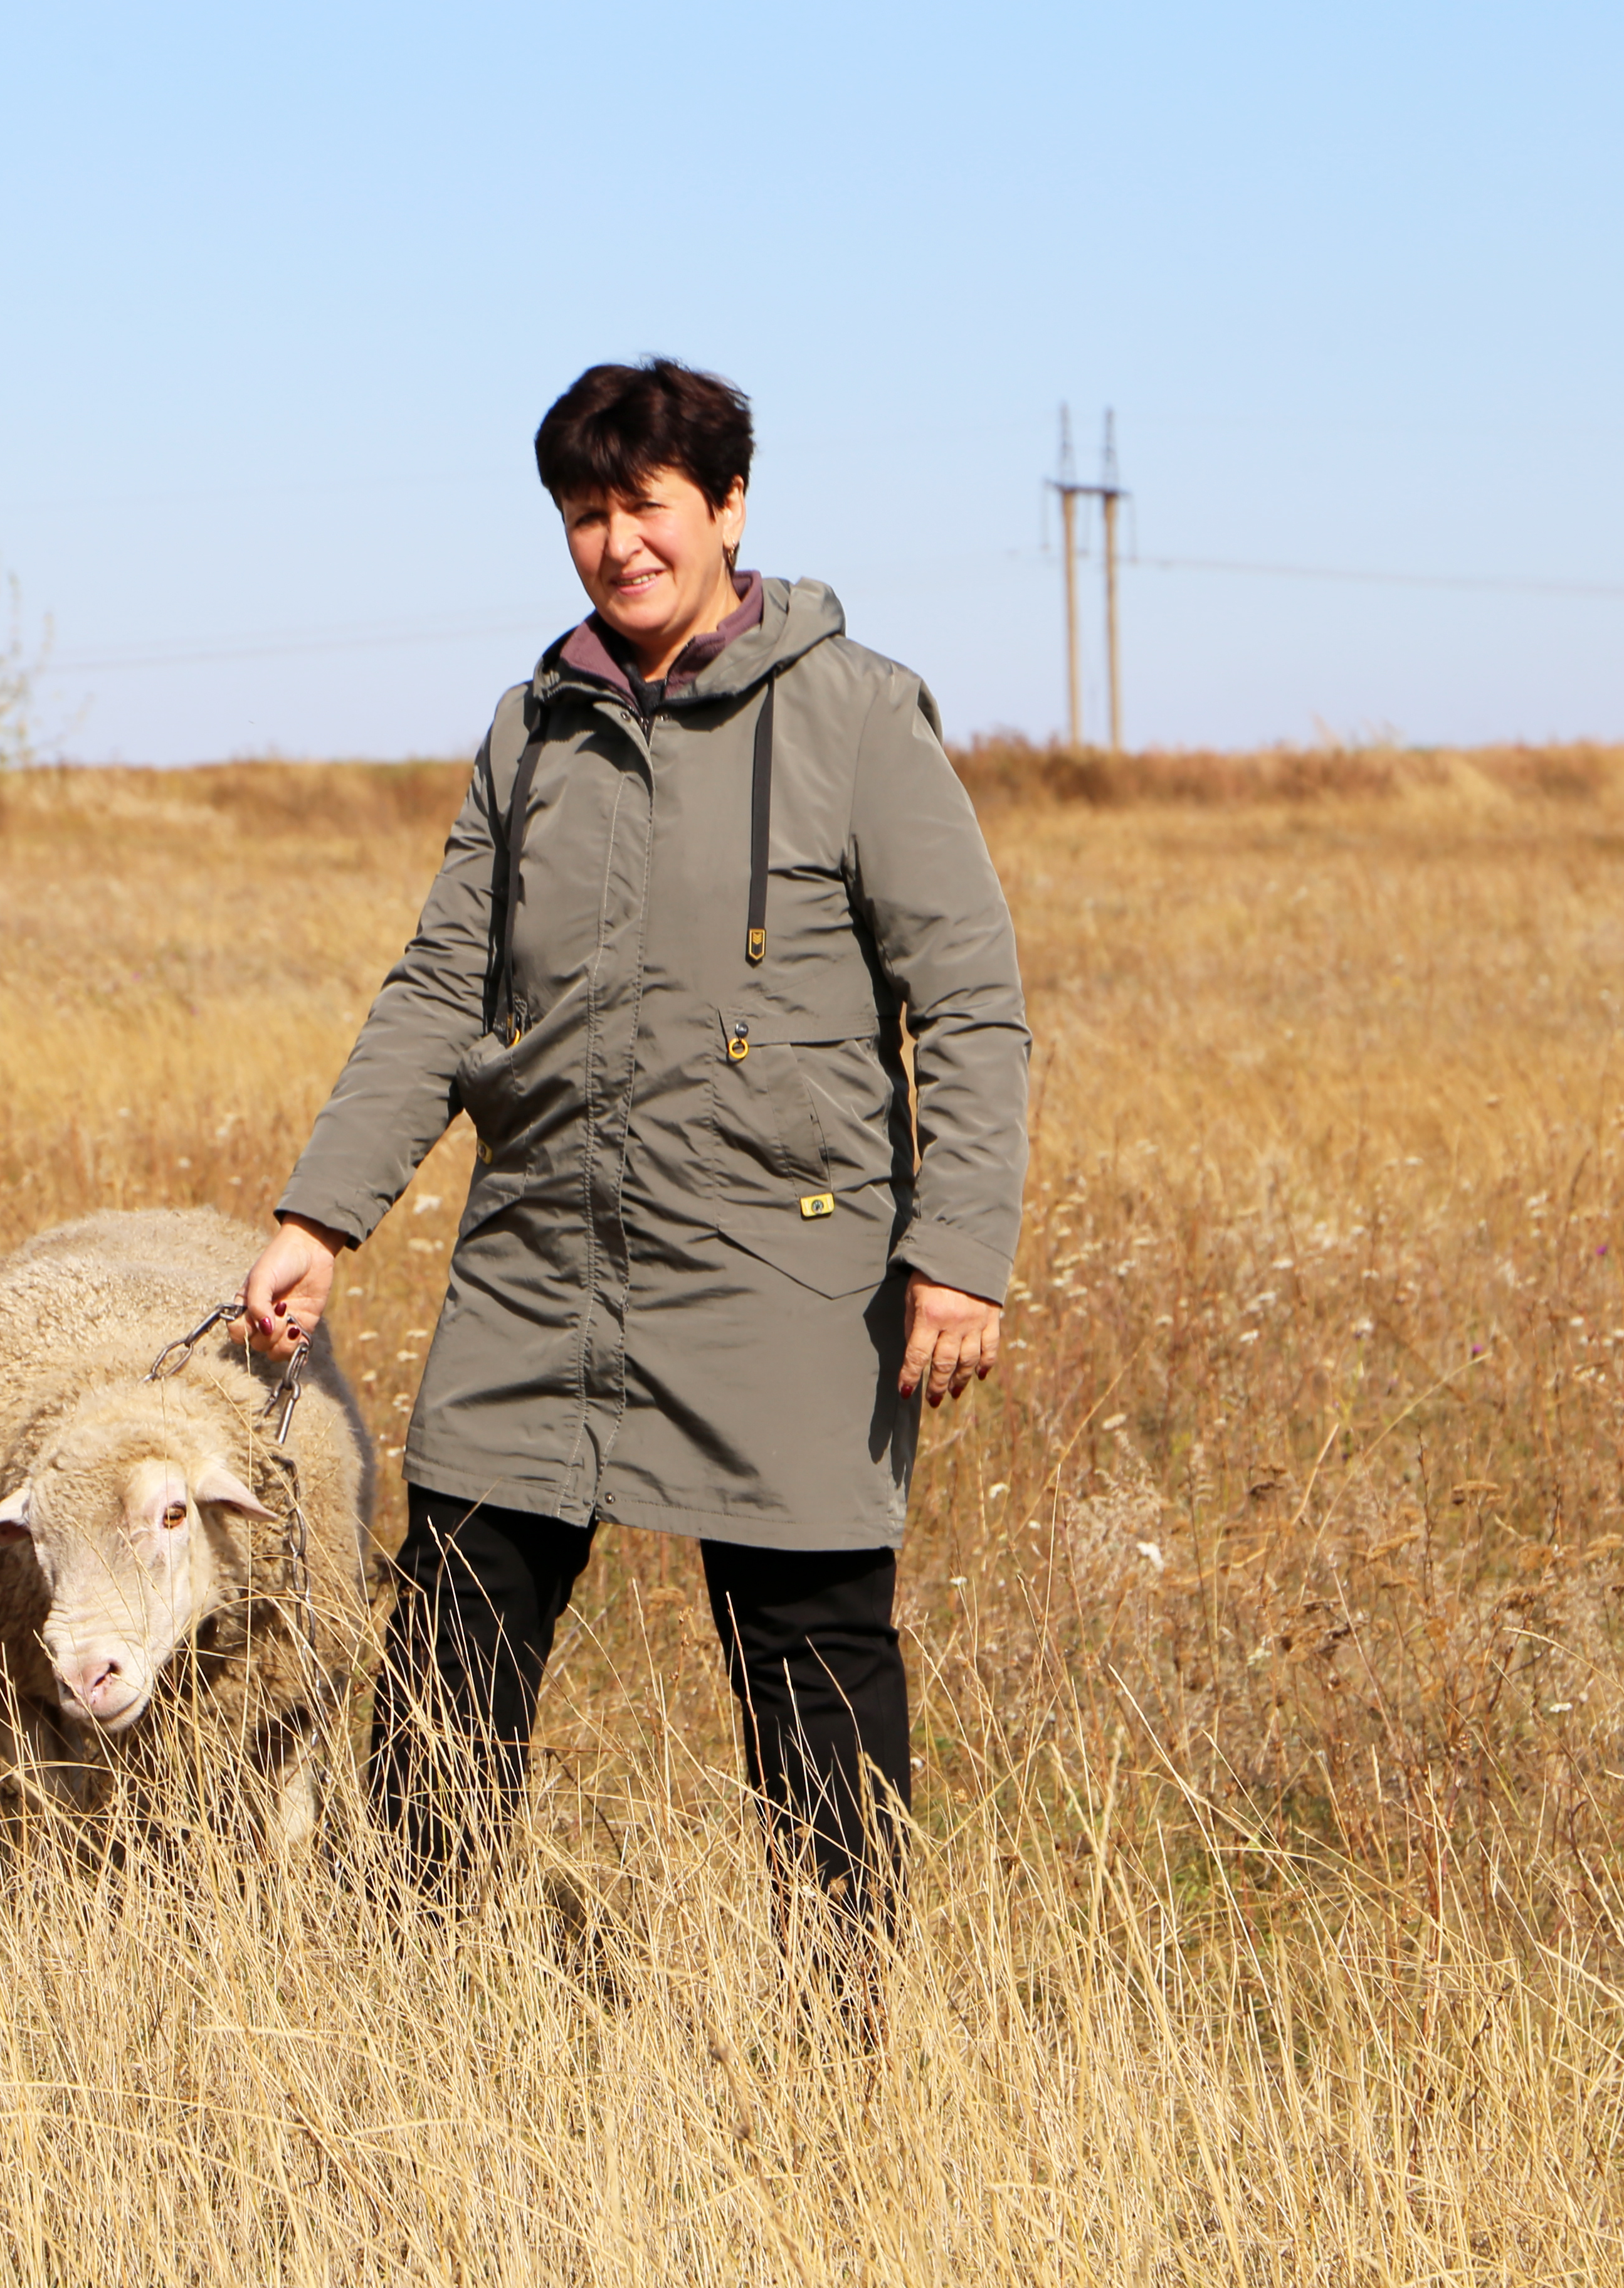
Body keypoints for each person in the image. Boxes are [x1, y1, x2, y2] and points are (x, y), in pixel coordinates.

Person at [241, 358, 1028, 1934]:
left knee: (812, 1652)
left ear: (729, 507)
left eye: (647, 507)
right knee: (455, 1634)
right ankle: (403, 1976)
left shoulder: (859, 716)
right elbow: (439, 993)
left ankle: (838, 2011)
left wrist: (958, 1254)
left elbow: (974, 1001)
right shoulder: (532, 734)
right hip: (542, 1257)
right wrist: (322, 1220)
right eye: (586, 515)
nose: (618, 545)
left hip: (783, 1269)